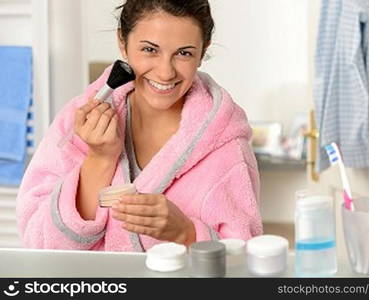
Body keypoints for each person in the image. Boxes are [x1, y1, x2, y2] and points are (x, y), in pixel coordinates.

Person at [16, 0, 262, 251]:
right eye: (149, 50)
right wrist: (100, 159)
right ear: (122, 42)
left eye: (184, 53)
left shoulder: (226, 146)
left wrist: (186, 233)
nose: (166, 72)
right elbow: (39, 242)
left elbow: (243, 262)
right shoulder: (78, 122)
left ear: (202, 52)